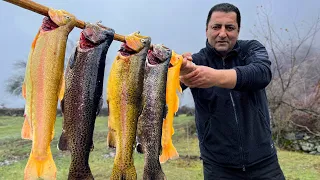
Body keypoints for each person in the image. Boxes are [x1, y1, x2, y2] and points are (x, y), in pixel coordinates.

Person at [180, 3, 285, 180]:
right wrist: (178, 72)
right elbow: (163, 89)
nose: (222, 33)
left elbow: (262, 73)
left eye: (230, 27)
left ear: (238, 30)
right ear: (206, 30)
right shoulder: (196, 62)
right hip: (218, 168)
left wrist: (215, 77)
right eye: (216, 27)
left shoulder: (251, 49)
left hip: (265, 163)